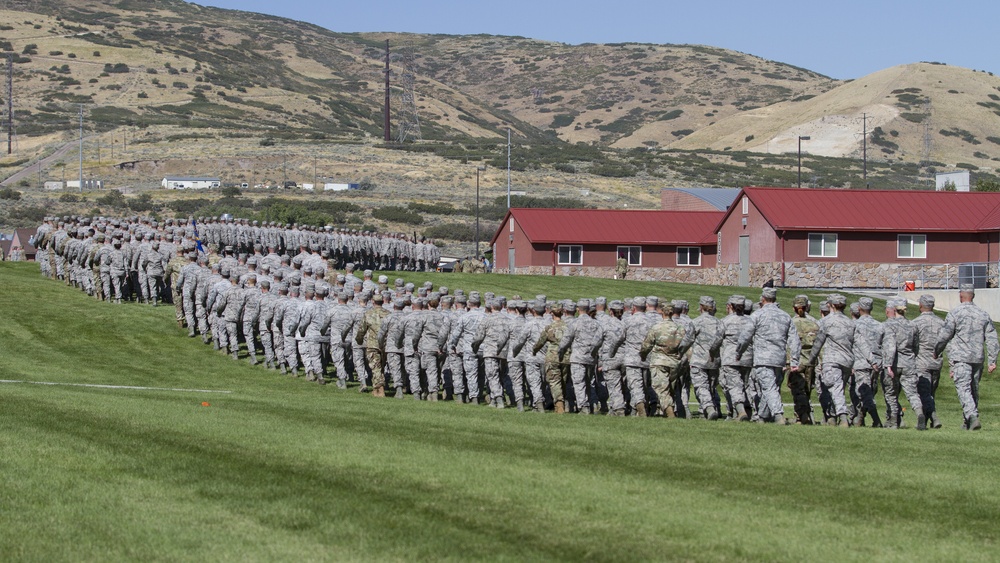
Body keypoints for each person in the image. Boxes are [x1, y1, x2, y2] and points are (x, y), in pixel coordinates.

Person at [935, 284, 999, 430]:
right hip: (977, 357)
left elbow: (944, 336)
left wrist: (937, 350)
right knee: (973, 389)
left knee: (964, 389)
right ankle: (968, 421)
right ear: (973, 296)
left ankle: (972, 415)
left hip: (961, 357)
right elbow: (992, 339)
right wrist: (992, 360)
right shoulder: (983, 314)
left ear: (960, 296)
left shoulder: (955, 313)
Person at [736, 287, 800, 425]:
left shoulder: (757, 315)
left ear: (762, 299)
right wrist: (794, 360)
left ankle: (778, 415)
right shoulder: (785, 316)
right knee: (770, 387)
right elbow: (794, 340)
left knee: (769, 388)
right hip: (779, 359)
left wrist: (739, 352)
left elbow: (745, 337)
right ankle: (762, 417)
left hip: (763, 358)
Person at [807, 295, 855, 427]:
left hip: (832, 359)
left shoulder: (826, 322)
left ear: (831, 305)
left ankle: (843, 417)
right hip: (847, 360)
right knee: (838, 389)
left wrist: (811, 360)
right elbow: (856, 343)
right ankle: (832, 417)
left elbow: (818, 343)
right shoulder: (851, 322)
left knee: (836, 389)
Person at [639, 305, 688, 417]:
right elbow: (686, 346)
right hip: (675, 362)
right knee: (669, 389)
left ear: (662, 313)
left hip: (659, 361)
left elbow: (647, 345)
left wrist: (643, 355)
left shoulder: (657, 327)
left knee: (661, 389)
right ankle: (665, 411)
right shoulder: (680, 328)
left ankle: (670, 412)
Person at [680, 296, 723, 420]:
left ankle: (709, 408)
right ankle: (706, 411)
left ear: (700, 307)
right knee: (710, 386)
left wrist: (680, 351)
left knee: (701, 386)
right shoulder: (719, 322)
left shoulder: (696, 322)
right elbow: (720, 340)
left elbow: (687, 340)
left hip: (699, 360)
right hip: (714, 360)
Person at [911, 294, 944, 429]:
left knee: (923, 393)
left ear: (920, 305)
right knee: (930, 393)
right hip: (937, 362)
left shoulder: (915, 323)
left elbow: (913, 344)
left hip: (922, 362)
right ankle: (927, 419)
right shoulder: (942, 322)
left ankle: (933, 416)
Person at [789, 295, 819, 424]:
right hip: (810, 361)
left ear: (794, 308)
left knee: (797, 390)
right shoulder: (814, 322)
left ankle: (802, 415)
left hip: (797, 361)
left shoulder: (790, 323)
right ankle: (802, 415)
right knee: (807, 390)